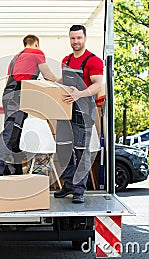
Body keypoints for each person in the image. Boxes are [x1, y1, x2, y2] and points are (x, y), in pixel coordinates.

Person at [0, 35, 58, 176]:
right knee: (11, 131)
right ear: (36, 44)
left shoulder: (15, 58)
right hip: (18, 97)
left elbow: (9, 80)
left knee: (17, 132)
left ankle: (16, 169)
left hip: (10, 96)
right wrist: (62, 82)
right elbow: (49, 76)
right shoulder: (36, 53)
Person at [53, 25, 104, 203]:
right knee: (63, 148)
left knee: (81, 150)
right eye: (73, 38)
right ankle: (68, 184)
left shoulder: (94, 61)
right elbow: (63, 81)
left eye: (79, 38)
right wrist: (49, 84)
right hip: (65, 110)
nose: (76, 41)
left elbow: (97, 84)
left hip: (83, 110)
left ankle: (79, 190)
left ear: (85, 38)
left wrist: (79, 94)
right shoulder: (65, 60)